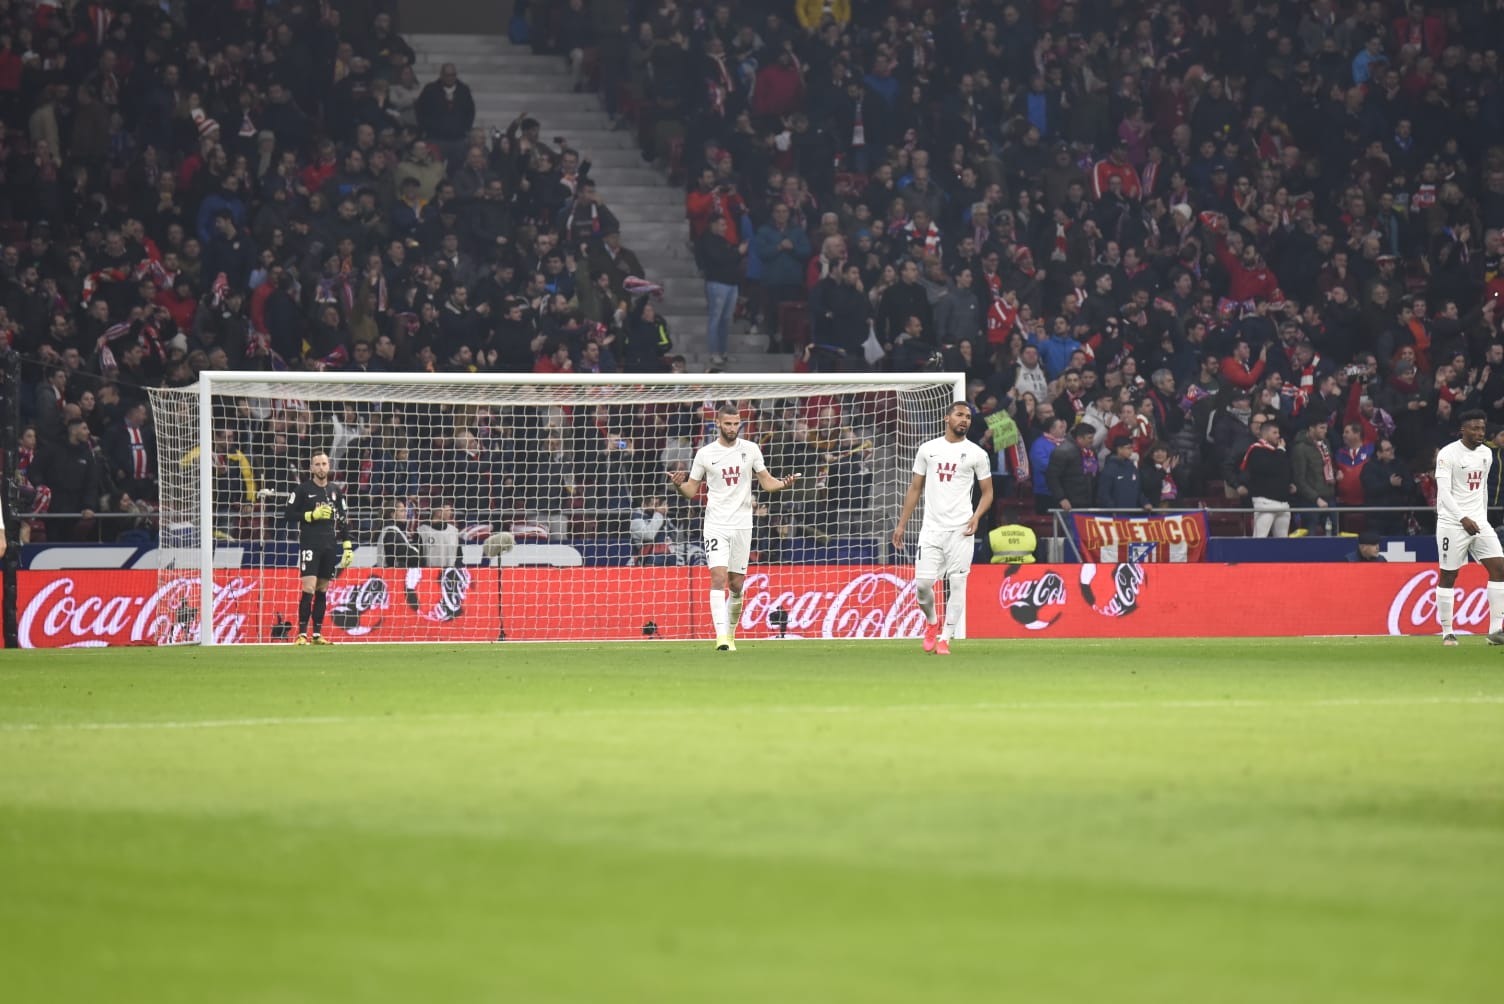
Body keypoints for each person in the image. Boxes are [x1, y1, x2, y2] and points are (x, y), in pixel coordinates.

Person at [669, 403, 801, 651]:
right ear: (718, 423)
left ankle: (729, 635)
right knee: (718, 577)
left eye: (736, 423)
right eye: (728, 423)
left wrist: (784, 484)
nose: (732, 428)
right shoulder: (705, 453)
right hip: (716, 524)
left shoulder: (750, 449)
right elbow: (691, 491)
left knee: (736, 585)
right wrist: (678, 485)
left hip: (742, 524)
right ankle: (721, 637)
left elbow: (767, 483)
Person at [891, 401, 993, 656]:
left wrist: (977, 516)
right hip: (931, 529)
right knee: (923, 586)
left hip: (961, 530)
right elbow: (915, 488)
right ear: (947, 418)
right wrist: (902, 524)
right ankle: (932, 622)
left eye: (968, 417)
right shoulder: (928, 449)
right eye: (959, 415)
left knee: (957, 584)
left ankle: (945, 639)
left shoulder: (977, 454)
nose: (964, 420)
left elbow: (988, 492)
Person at [1434, 410, 1504, 646]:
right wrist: (1462, 517)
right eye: (1475, 428)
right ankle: (1447, 632)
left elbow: (1482, 488)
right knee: (1449, 575)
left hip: (1478, 521)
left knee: (1500, 568)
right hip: (1452, 523)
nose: (1480, 433)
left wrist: (1481, 517)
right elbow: (1444, 492)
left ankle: (1495, 631)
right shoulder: (1448, 454)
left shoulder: (1486, 454)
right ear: (1462, 430)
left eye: (1482, 429)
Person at [280, 450, 352, 644]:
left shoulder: (335, 491)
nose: (321, 467)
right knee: (309, 587)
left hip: (329, 545)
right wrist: (311, 515)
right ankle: (302, 634)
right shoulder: (302, 490)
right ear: (311, 468)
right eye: (317, 464)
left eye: (324, 464)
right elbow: (288, 514)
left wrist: (347, 546)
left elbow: (343, 519)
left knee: (322, 589)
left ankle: (317, 634)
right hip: (310, 543)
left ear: (329, 466)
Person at [1241, 420, 1295, 538]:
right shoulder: (1256, 450)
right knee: (1260, 538)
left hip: (1283, 503)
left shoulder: (1278, 451)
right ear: (1265, 434)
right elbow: (1270, 468)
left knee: (1283, 540)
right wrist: (1280, 451)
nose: (1278, 436)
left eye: (1278, 433)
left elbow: (1285, 470)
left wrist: (1290, 483)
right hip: (1266, 503)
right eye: (1274, 433)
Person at [377, 503, 422, 567]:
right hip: (391, 572)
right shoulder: (392, 532)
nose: (405, 514)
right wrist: (418, 554)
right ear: (393, 515)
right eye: (402, 511)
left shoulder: (392, 530)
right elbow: (408, 555)